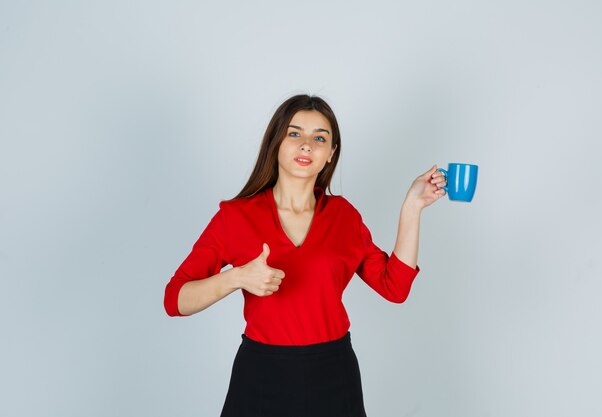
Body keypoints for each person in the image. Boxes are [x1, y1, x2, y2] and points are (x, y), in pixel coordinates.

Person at [163, 94, 447, 417]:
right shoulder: (236, 217)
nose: (307, 145)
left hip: (334, 376)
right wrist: (237, 277)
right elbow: (175, 299)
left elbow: (394, 287)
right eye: (295, 133)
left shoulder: (344, 217)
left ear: (330, 154)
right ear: (276, 143)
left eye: (320, 138)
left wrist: (412, 207)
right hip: (260, 377)